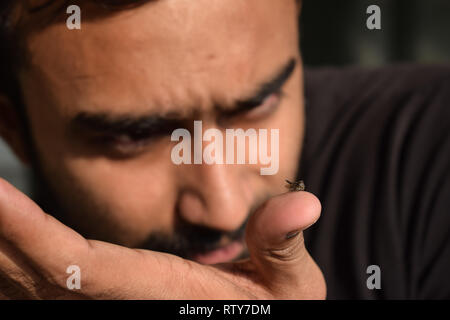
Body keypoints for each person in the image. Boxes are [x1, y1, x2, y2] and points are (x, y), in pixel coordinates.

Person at [0, 0, 448, 299]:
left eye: (258, 105)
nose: (225, 211)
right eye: (134, 136)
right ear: (12, 128)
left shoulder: (429, 151)